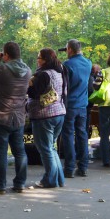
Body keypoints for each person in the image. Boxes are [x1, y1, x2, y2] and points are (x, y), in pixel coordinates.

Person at [0, 42, 31, 194]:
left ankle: (1, 186)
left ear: (7, 55)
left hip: (1, 117)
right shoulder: (28, 70)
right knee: (20, 152)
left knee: (1, 152)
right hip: (19, 118)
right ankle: (20, 183)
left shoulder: (3, 69)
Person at [27, 48, 67, 188]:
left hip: (44, 115)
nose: (37, 60)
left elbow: (33, 93)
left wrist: (29, 83)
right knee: (51, 147)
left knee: (45, 148)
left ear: (44, 60)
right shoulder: (59, 71)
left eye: (39, 57)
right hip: (60, 112)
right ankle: (59, 179)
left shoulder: (43, 75)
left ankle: (49, 180)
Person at [61, 39, 92, 178]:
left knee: (68, 135)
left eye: (66, 49)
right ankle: (83, 167)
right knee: (82, 134)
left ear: (70, 50)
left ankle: (69, 168)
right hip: (83, 105)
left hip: (70, 105)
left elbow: (64, 86)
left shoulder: (67, 65)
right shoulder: (88, 63)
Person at [86, 64, 101, 139]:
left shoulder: (89, 77)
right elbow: (90, 91)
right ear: (95, 71)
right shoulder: (91, 78)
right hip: (88, 106)